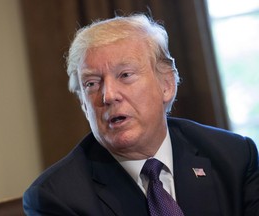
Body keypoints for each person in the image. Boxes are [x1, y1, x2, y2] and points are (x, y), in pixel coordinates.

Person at [23, 14, 259, 216]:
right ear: (84, 105)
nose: (108, 95)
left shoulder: (234, 157)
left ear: (166, 84)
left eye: (125, 75)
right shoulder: (56, 198)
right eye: (92, 83)